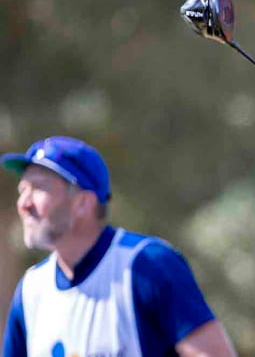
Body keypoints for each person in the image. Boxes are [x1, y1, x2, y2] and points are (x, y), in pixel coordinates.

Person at [1, 136, 238, 357]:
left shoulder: (148, 266)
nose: (23, 203)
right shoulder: (31, 290)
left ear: (83, 203)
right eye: (22, 190)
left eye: (38, 188)